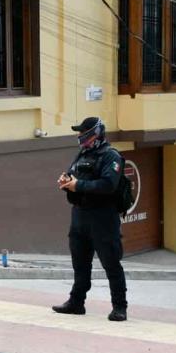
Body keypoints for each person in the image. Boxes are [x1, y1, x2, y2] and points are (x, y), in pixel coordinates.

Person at [53, 117, 128, 322]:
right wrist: (66, 181)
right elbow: (72, 175)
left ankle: (120, 307)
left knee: (111, 264)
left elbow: (108, 185)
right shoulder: (83, 154)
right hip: (80, 216)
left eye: (83, 133)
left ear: (95, 133)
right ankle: (76, 302)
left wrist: (79, 186)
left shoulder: (110, 156)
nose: (79, 136)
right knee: (80, 264)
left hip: (103, 218)